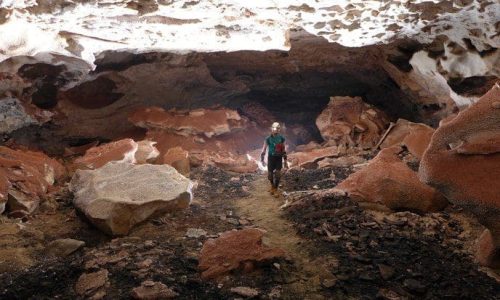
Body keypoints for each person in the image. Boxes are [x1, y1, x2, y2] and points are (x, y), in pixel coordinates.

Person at [260, 122, 287, 197]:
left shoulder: (282, 138)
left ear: (279, 129)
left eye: (277, 128)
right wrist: (262, 159)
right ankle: (272, 185)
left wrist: (285, 161)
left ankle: (275, 189)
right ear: (272, 129)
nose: (275, 130)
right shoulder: (268, 139)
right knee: (270, 175)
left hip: (278, 158)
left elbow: (284, 150)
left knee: (278, 174)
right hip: (271, 158)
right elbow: (264, 149)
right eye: (274, 128)